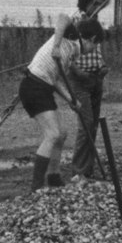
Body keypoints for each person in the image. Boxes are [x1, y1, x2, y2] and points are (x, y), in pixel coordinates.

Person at [19, 13, 81, 190]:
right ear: (90, 39)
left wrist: (71, 100)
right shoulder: (71, 38)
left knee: (61, 134)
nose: (92, 50)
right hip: (33, 86)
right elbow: (63, 17)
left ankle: (53, 177)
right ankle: (36, 186)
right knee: (52, 134)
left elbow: (55, 80)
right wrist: (55, 46)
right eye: (94, 46)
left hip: (44, 87)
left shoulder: (71, 53)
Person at [65, 0, 112, 180]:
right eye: (95, 3)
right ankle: (78, 171)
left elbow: (98, 50)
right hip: (79, 80)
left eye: (101, 4)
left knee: (92, 125)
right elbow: (65, 53)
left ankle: (88, 169)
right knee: (86, 124)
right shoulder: (75, 21)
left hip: (96, 79)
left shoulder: (98, 22)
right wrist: (78, 72)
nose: (98, 7)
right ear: (86, 1)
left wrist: (103, 66)